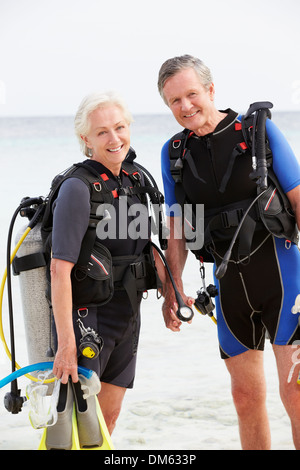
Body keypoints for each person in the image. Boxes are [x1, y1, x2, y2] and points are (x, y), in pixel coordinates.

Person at [157, 54, 300, 450]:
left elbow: (298, 198)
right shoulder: (174, 154)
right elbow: (177, 229)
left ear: (211, 90)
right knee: (244, 398)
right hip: (229, 290)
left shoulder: (257, 132)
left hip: (285, 280)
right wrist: (172, 287)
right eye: (174, 101)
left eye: (191, 94)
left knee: (297, 395)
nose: (185, 107)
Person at [50, 91, 165, 434]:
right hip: (87, 320)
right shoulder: (77, 187)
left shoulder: (135, 181)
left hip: (127, 318)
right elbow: (60, 270)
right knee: (73, 429)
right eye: (102, 132)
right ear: (85, 139)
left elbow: (147, 248)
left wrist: (173, 293)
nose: (114, 139)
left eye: (119, 127)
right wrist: (66, 345)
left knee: (106, 423)